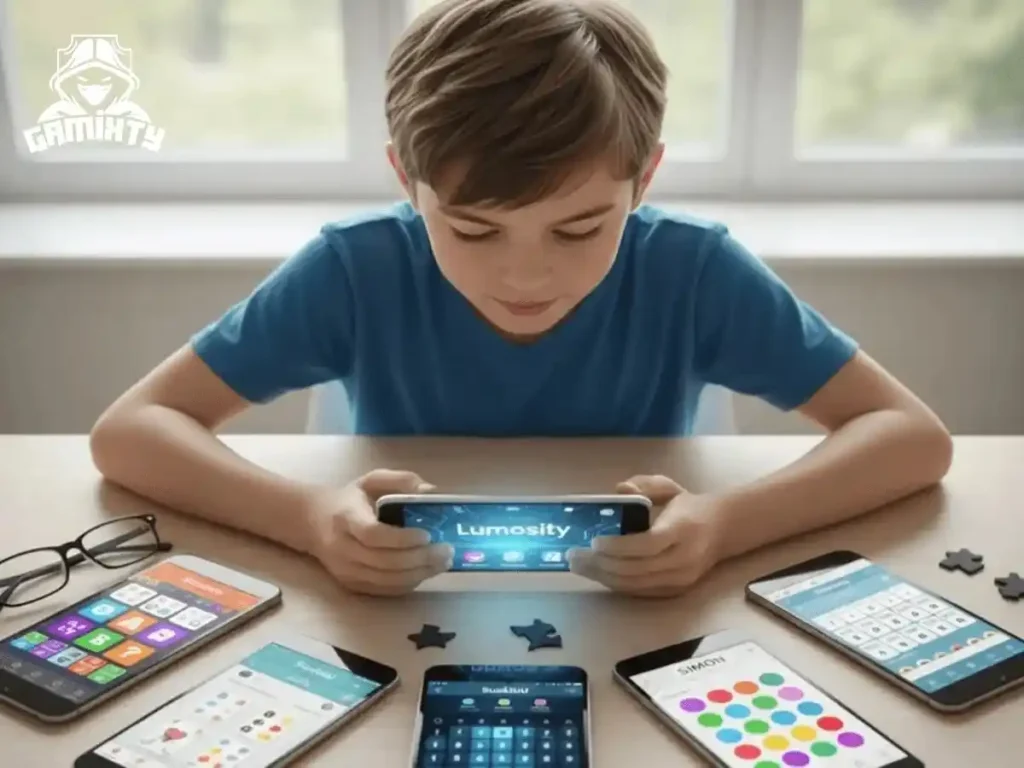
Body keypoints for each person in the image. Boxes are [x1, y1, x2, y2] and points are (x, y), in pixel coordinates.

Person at [89, 0, 953, 598]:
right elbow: (131, 432)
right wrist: (307, 517)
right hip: (391, 620)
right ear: (407, 177)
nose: (525, 277)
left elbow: (912, 439)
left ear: (644, 179)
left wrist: (726, 524)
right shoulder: (356, 268)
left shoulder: (695, 270)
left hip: (646, 624)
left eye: (579, 231)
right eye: (471, 230)